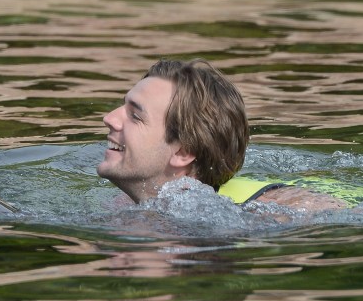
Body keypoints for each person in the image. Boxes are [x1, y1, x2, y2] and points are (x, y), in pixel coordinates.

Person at [98, 58, 345, 211]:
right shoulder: (125, 204)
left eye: (136, 116)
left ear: (183, 152)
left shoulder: (264, 210)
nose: (109, 118)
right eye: (123, 106)